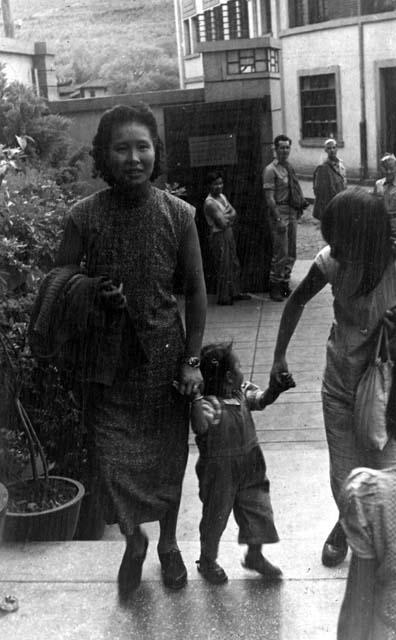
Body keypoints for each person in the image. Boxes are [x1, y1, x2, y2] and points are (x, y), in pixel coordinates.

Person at [56, 104, 207, 600]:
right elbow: (59, 283)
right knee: (112, 460)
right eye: (122, 148)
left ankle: (167, 545)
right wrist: (91, 291)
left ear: (155, 152)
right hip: (107, 367)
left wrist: (190, 360)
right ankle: (133, 540)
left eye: (143, 146)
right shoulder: (83, 216)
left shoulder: (178, 214)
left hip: (164, 362)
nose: (134, 157)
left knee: (168, 462)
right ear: (105, 154)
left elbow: (197, 292)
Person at [270, 187, 396, 569]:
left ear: (367, 235)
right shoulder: (331, 262)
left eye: (342, 239)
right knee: (345, 478)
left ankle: (357, 537)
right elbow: (296, 301)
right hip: (340, 383)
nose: (334, 247)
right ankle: (350, 526)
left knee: (382, 474)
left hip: (388, 392)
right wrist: (278, 357)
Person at [190, 342, 295, 584]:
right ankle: (207, 560)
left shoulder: (241, 393)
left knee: (258, 509)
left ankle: (255, 555)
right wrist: (195, 398)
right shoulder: (209, 404)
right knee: (215, 517)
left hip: (251, 465)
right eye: (239, 366)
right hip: (219, 473)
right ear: (228, 377)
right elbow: (199, 426)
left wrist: (274, 390)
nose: (243, 370)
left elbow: (261, 399)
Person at [263, 134, 307, 302]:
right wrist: (278, 219)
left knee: (292, 252)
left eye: (287, 147)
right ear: (275, 149)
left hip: (291, 211)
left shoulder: (289, 167)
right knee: (280, 252)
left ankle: (284, 283)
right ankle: (274, 286)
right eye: (281, 147)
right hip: (279, 212)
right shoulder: (270, 170)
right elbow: (269, 198)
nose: (284, 150)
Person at [203, 171, 250, 305]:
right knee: (224, 265)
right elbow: (222, 223)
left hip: (228, 233)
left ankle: (234, 292)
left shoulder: (222, 197)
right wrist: (228, 217)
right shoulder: (210, 203)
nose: (219, 186)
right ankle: (224, 297)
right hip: (218, 235)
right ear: (209, 186)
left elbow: (234, 213)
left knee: (233, 263)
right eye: (215, 184)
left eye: (220, 183)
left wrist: (227, 217)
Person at [312, 138, 347, 221]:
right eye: (329, 148)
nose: (332, 150)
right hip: (330, 204)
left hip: (341, 201)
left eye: (334, 147)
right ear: (325, 150)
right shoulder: (323, 167)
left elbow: (344, 182)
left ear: (337, 148)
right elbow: (319, 191)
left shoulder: (341, 164)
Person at [374, 153, 396, 246]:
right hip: (381, 225)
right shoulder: (378, 184)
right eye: (386, 169)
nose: (389, 172)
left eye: (391, 168)